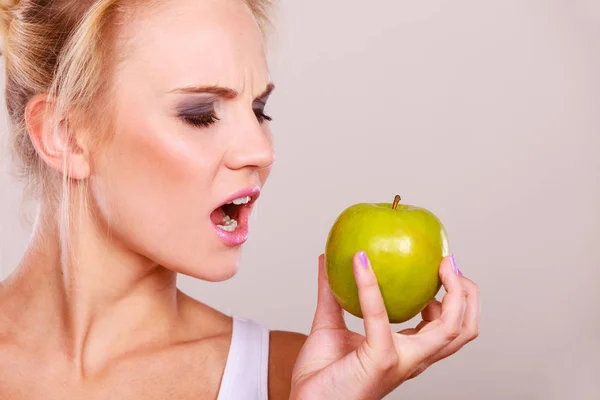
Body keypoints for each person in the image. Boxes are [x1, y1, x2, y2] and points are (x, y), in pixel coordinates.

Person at [0, 0, 480, 398]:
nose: (262, 150)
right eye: (201, 113)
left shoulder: (293, 380)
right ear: (65, 135)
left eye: (258, 109)